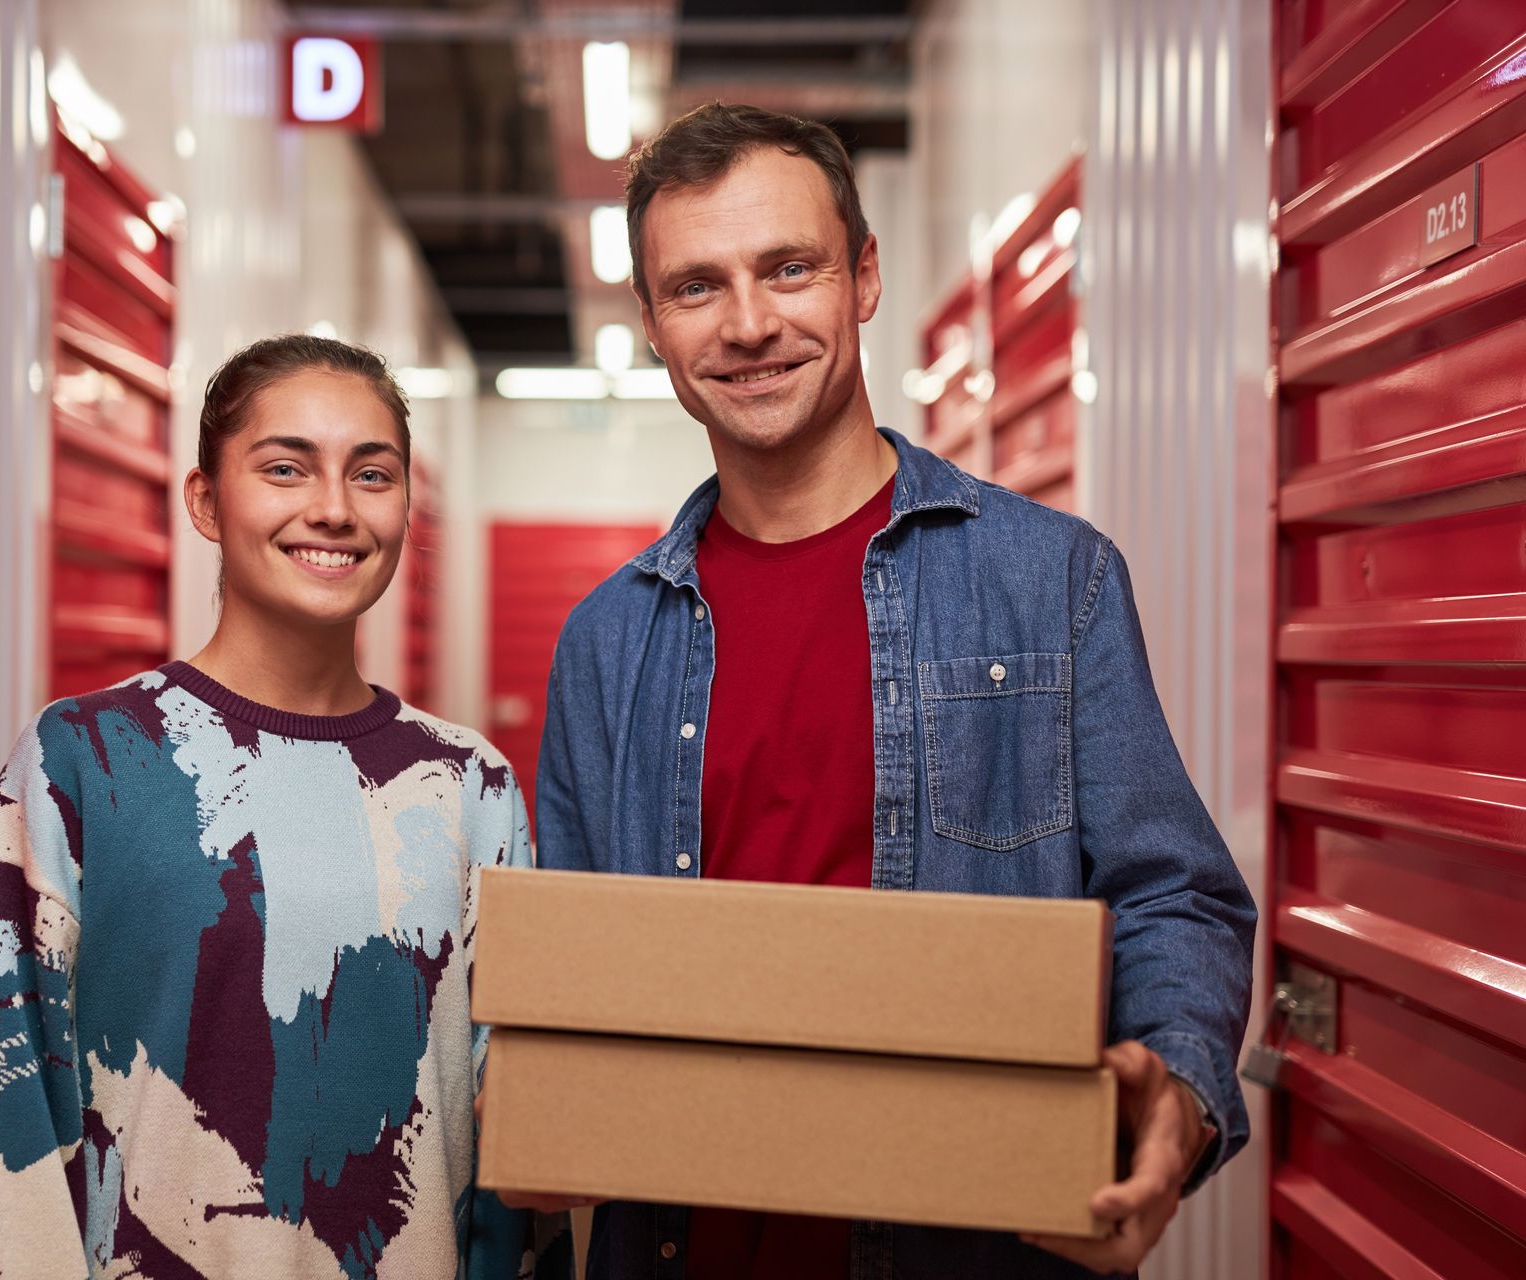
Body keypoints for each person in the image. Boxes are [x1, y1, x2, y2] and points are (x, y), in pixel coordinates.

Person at [526, 103, 1256, 1279]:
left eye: (790, 268)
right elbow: (561, 968)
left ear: (863, 277)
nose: (752, 324)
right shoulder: (608, 641)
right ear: (653, 324)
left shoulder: (1049, 579)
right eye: (698, 286)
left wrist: (1174, 1089)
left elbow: (1175, 895)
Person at [0, 335, 567, 1279]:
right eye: (284, 468)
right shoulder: (80, 763)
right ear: (205, 501)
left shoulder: (470, 789)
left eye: (373, 474)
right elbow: (11, 1131)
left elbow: (514, 1153)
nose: (334, 510)